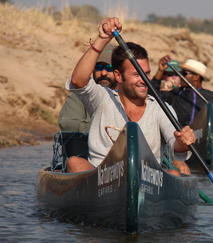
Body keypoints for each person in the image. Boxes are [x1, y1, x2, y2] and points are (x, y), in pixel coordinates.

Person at [65, 17, 195, 175]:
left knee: (174, 173)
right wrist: (102, 39)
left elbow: (176, 144)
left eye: (146, 74)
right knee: (75, 163)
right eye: (137, 74)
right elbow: (78, 80)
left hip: (146, 177)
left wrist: (183, 141)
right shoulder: (103, 98)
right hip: (101, 177)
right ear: (118, 76)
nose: (144, 80)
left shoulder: (161, 108)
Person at [151, 56, 213, 134]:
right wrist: (160, 71)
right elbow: (152, 94)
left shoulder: (212, 97)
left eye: (184, 73)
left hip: (203, 140)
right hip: (179, 139)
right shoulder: (174, 93)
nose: (180, 76)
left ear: (196, 77)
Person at [58, 44, 117, 133]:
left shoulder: (127, 95)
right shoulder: (81, 94)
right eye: (98, 67)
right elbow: (67, 123)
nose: (103, 73)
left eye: (109, 68)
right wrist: (106, 129)